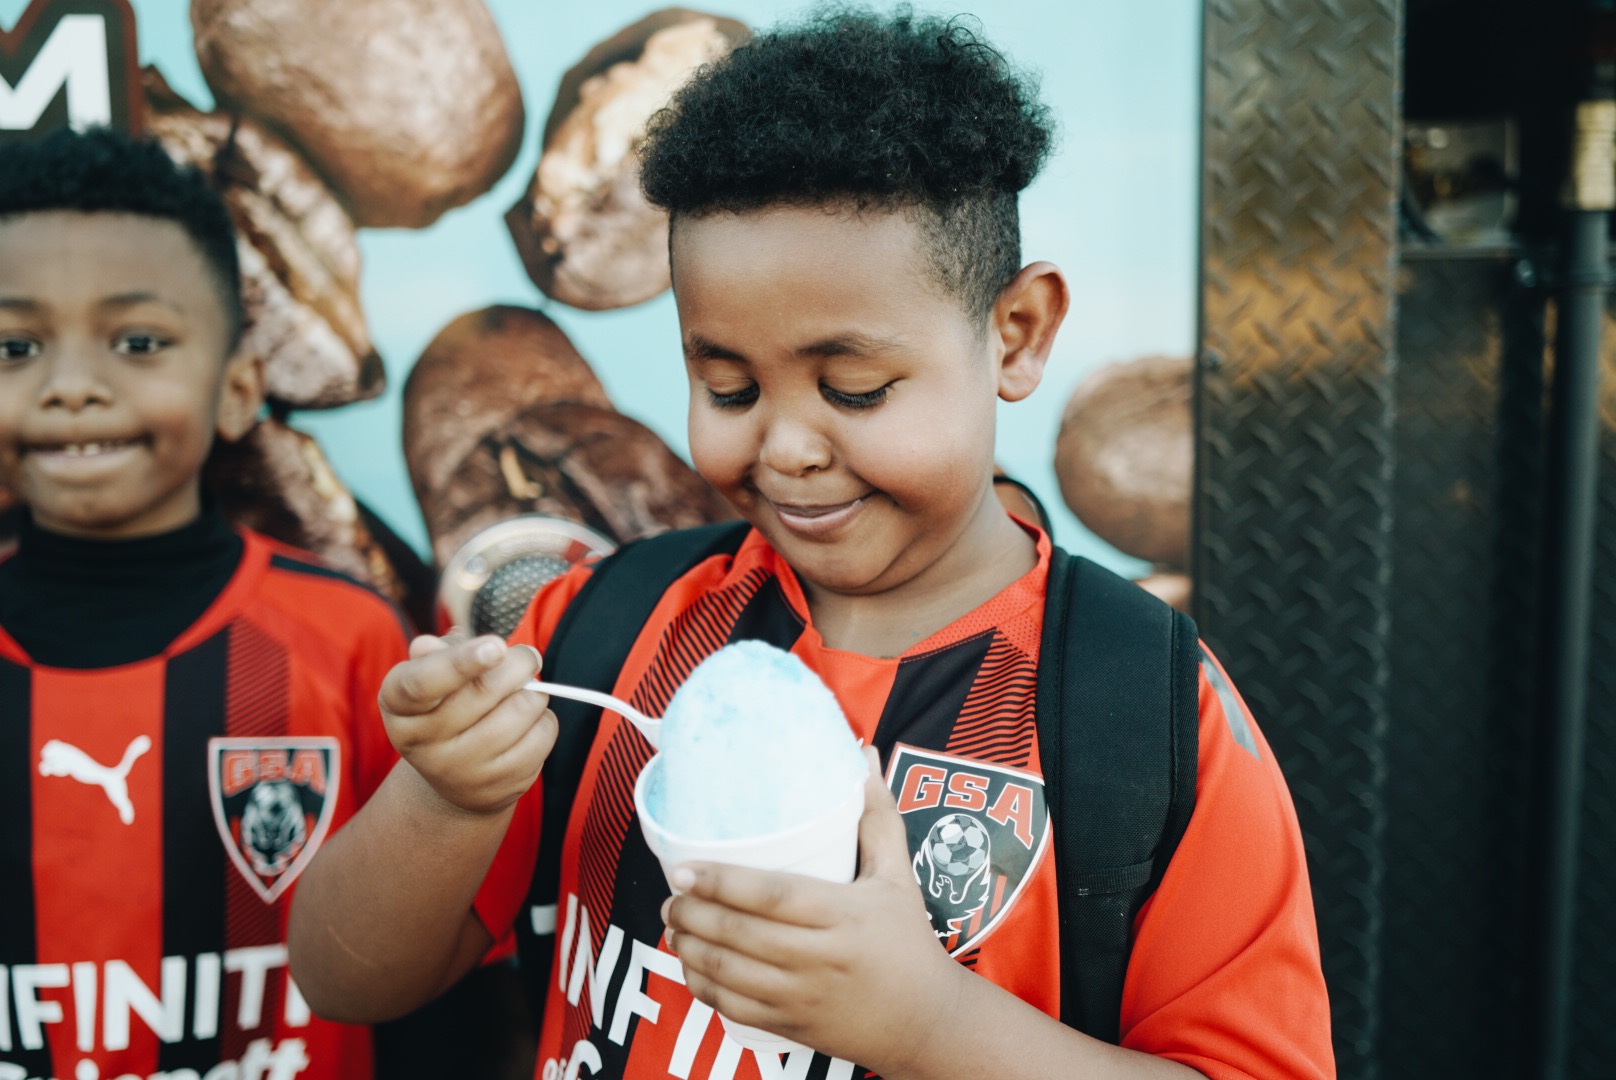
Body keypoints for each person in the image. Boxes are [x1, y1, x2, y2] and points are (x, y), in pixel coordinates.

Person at [289, 8, 1335, 1079]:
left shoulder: (1140, 708)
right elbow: (342, 978)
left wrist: (926, 1023)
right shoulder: (598, 632)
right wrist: (447, 797)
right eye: (728, 387)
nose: (786, 448)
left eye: (854, 387)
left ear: (1014, 334)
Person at [0, 127, 408, 1080]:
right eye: (15, 345)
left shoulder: (348, 640)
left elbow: (439, 980)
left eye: (137, 342)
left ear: (236, 390)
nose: (71, 388)